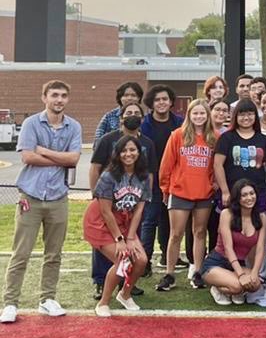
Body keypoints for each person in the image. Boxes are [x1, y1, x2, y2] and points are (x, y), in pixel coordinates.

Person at [2, 80, 82, 324]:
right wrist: (61, 158)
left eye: (63, 95)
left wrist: (44, 151)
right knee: (21, 253)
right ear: (44, 98)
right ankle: (10, 303)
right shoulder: (31, 123)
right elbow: (27, 157)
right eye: (54, 95)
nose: (59, 100)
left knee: (54, 253)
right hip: (31, 197)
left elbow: (74, 159)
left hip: (58, 198)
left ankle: (47, 299)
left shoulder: (74, 126)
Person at [88, 101, 156, 300]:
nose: (129, 154)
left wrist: (144, 197)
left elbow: (149, 175)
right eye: (128, 112)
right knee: (115, 254)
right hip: (107, 210)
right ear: (120, 117)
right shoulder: (108, 141)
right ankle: (102, 286)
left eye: (136, 112)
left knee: (136, 256)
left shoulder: (147, 146)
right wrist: (96, 194)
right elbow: (94, 167)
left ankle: (125, 288)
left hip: (128, 210)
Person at [82, 136, 150, 317]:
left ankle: (125, 295)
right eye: (124, 151)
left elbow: (138, 210)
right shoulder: (108, 176)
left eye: (132, 150)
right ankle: (103, 303)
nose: (128, 154)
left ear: (139, 152)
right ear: (118, 154)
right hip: (101, 222)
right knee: (123, 260)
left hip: (125, 221)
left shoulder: (143, 177)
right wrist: (120, 240)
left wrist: (130, 238)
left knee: (141, 260)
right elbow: (105, 211)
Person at [156, 99, 217, 292]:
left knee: (199, 233)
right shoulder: (178, 135)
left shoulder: (214, 137)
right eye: (195, 113)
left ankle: (198, 272)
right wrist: (165, 189)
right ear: (189, 115)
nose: (199, 117)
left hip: (204, 192)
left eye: (202, 113)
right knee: (176, 234)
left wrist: (213, 183)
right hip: (180, 191)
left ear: (208, 116)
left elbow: (216, 165)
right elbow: (166, 165)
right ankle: (169, 273)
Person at [200, 179, 266, 305]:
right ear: (238, 198)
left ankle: (234, 288)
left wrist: (254, 272)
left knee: (256, 284)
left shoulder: (262, 217)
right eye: (244, 195)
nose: (249, 198)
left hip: (237, 265)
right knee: (237, 286)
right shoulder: (227, 214)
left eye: (252, 193)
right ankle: (218, 288)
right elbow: (228, 248)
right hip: (217, 262)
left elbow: (260, 248)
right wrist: (241, 275)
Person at [139, 84, 183, 273]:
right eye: (157, 100)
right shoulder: (144, 125)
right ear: (151, 103)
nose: (161, 103)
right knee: (149, 219)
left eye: (165, 99)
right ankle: (144, 261)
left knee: (168, 219)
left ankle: (167, 255)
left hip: (175, 179)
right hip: (150, 178)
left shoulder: (180, 123)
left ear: (171, 101)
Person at [214, 98, 266, 213]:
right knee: (230, 226)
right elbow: (218, 165)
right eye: (242, 114)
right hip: (232, 191)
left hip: (258, 192)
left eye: (250, 114)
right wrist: (224, 191)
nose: (246, 118)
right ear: (236, 117)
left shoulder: (263, 139)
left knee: (258, 225)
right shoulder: (226, 138)